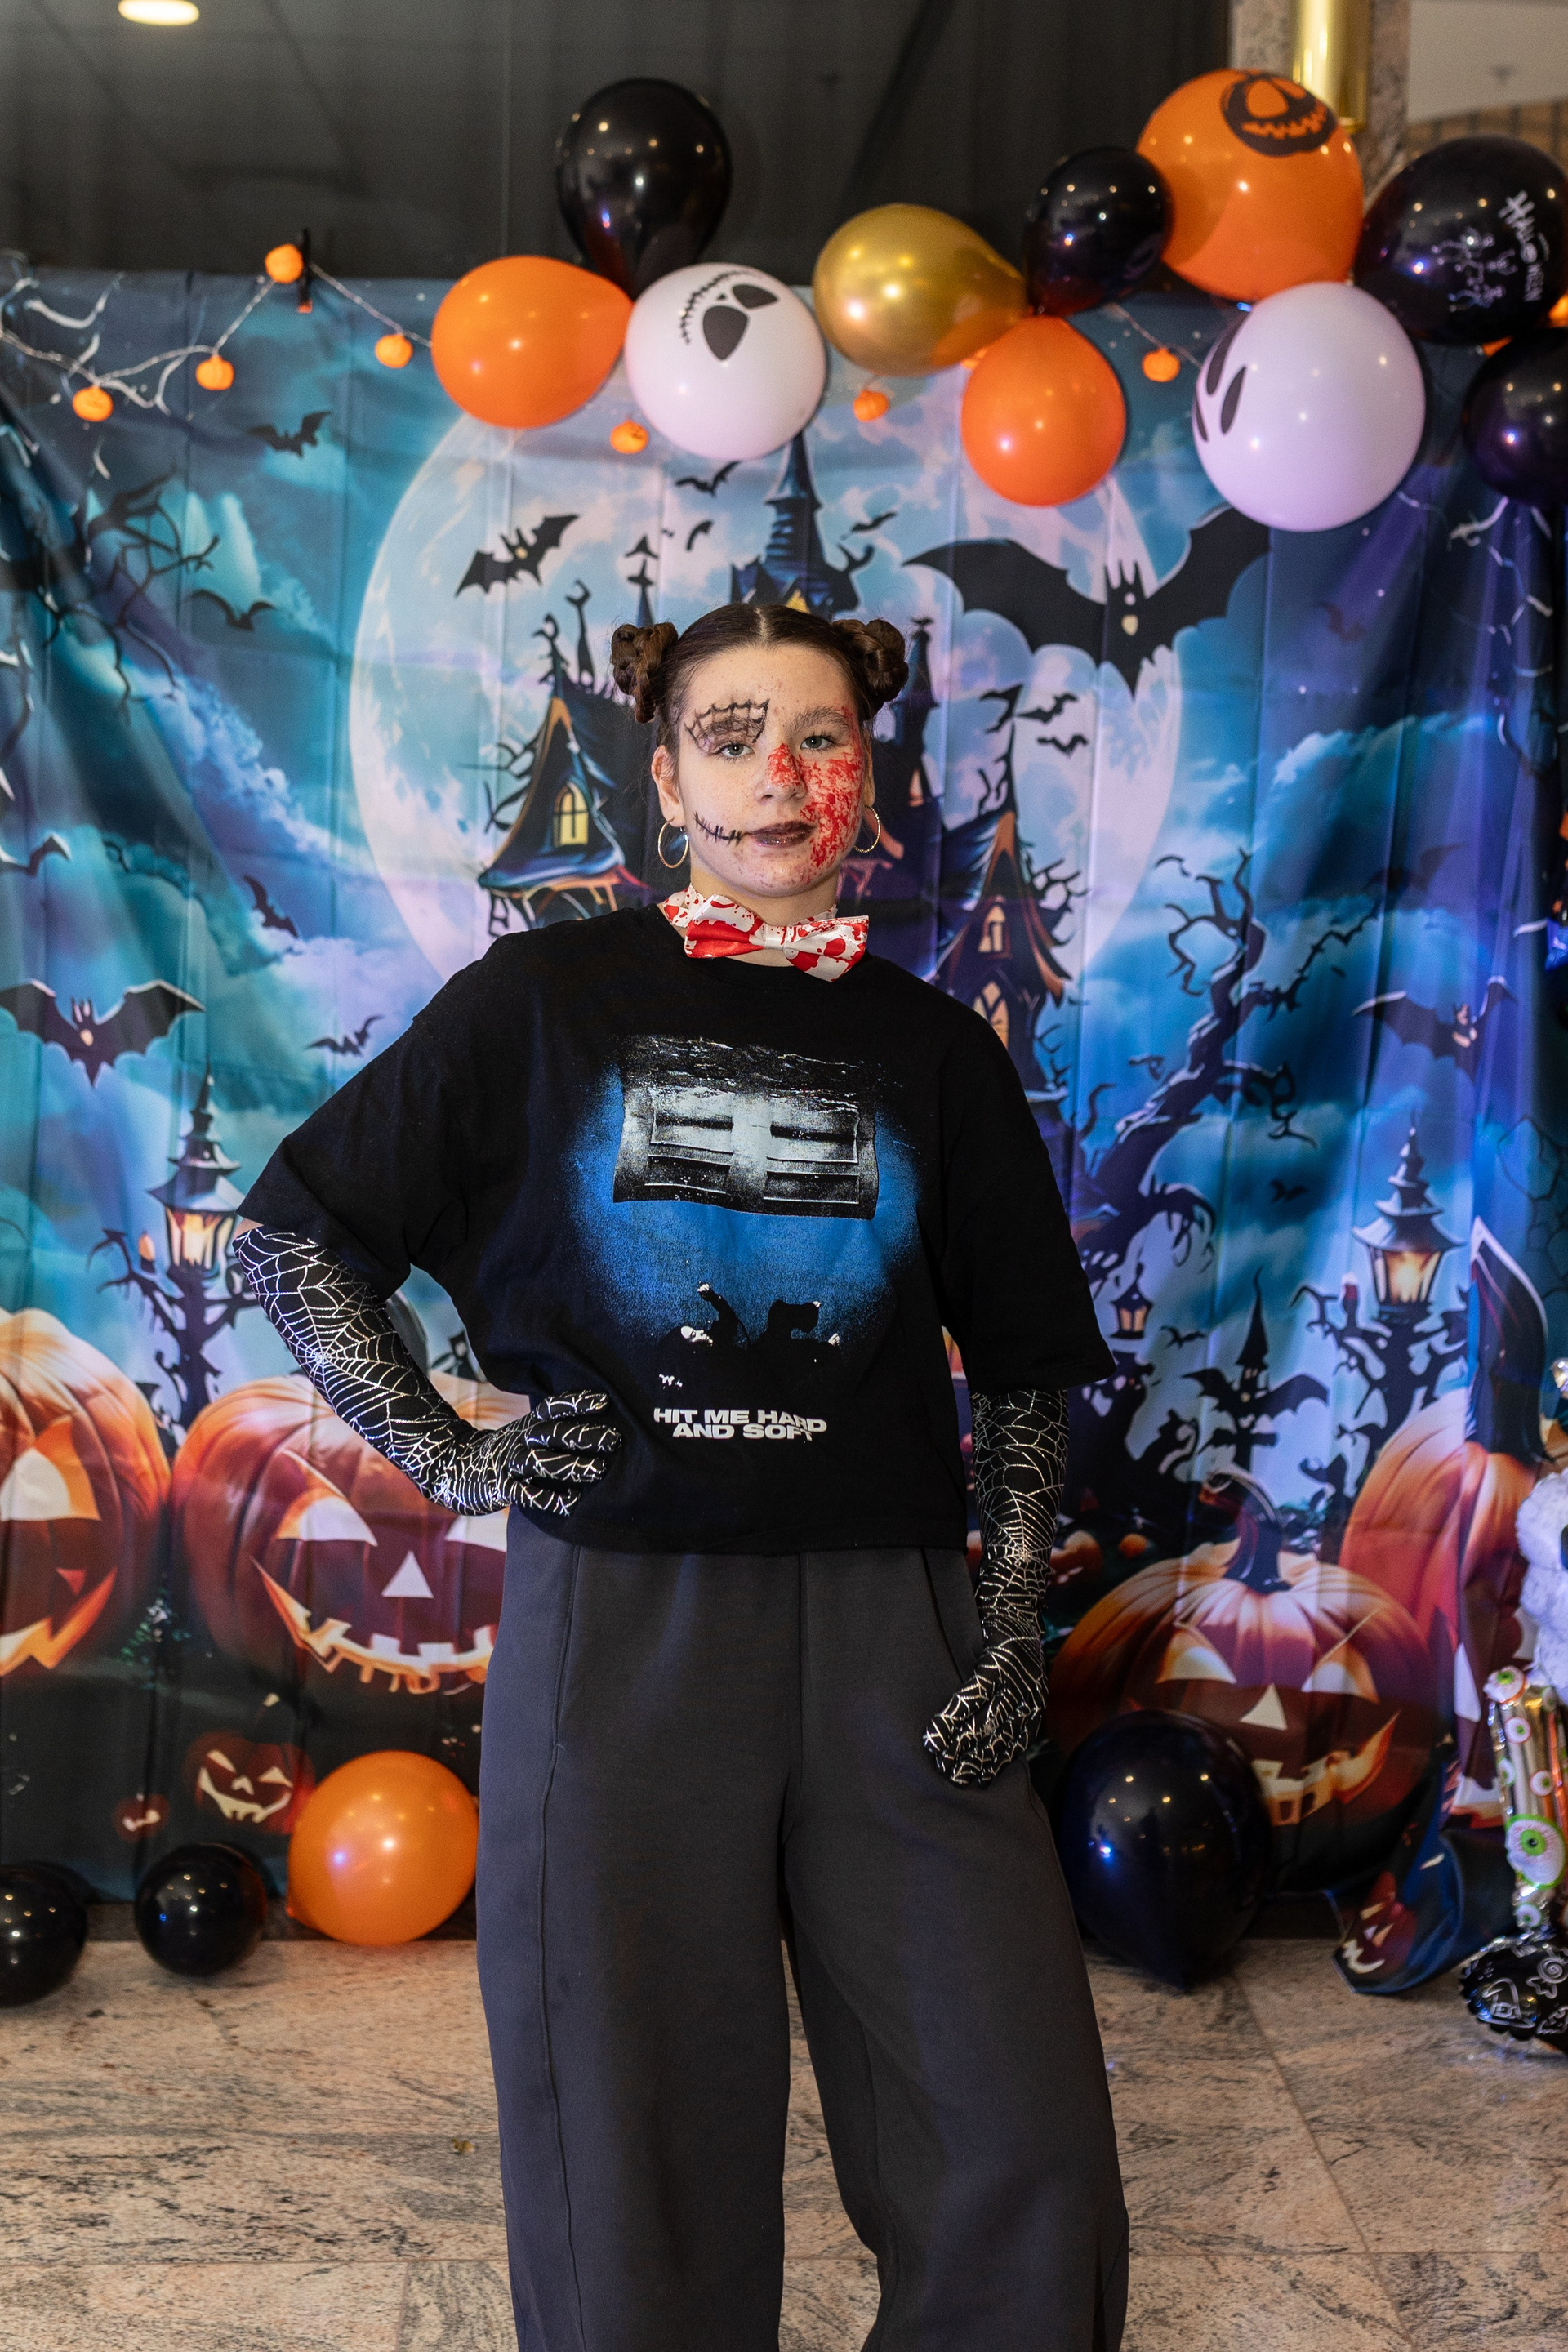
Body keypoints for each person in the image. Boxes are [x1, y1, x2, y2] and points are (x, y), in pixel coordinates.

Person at [234, 600, 1127, 2352]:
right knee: (629, 2146)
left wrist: (1016, 1626)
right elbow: (294, 1235)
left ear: (867, 774)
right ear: (665, 779)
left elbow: (1027, 1369)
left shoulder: (940, 1051)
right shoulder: (540, 1004)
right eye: (732, 736)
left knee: (1016, 2142)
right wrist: (442, 1446)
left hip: (897, 1632)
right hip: (624, 1634)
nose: (779, 774)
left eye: (819, 737)